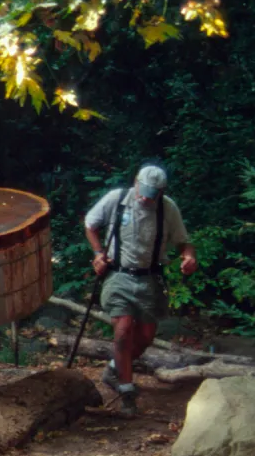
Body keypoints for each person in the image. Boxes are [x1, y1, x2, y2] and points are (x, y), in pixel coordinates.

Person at [83, 165, 198, 416]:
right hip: (119, 275)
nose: (146, 198)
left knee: (145, 336)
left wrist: (188, 258)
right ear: (136, 182)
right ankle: (126, 391)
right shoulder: (117, 199)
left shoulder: (168, 208)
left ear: (161, 191)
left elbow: (183, 242)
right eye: (143, 191)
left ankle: (114, 368)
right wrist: (98, 253)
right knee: (123, 330)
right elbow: (91, 224)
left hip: (150, 279)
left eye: (152, 194)